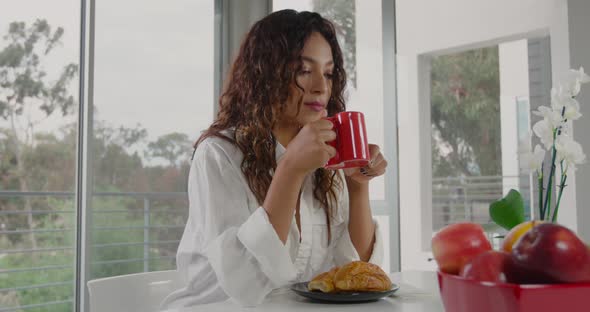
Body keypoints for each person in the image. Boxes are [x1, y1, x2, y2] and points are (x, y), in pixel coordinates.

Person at [160, 9, 388, 308]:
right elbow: (244, 283)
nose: (321, 86)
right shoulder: (218, 154)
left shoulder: (324, 159)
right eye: (304, 70)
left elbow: (353, 272)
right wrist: (290, 169)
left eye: (329, 73)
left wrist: (358, 185)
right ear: (265, 74)